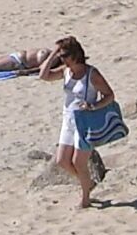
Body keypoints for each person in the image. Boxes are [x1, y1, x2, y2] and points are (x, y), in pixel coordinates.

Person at [43, 36, 116, 209]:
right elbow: (44, 75)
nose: (63, 59)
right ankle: (87, 183)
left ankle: (85, 199)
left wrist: (93, 105)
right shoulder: (66, 72)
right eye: (61, 56)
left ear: (75, 55)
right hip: (68, 121)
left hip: (85, 122)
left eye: (65, 55)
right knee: (62, 160)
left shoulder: (92, 74)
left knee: (78, 162)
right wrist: (53, 53)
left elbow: (110, 95)